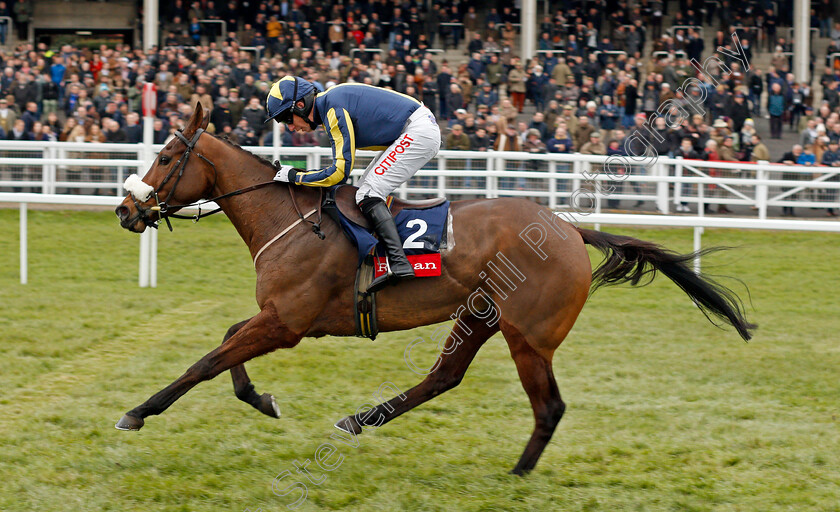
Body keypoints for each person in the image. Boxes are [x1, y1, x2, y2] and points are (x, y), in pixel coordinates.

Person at [266, 76, 442, 292]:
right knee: (361, 192)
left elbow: (339, 173)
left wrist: (296, 177)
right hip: (415, 127)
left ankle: (399, 263)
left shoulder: (333, 110)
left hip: (417, 130)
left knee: (367, 194)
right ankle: (379, 257)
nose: (291, 127)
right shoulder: (330, 104)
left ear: (301, 106)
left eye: (287, 119)